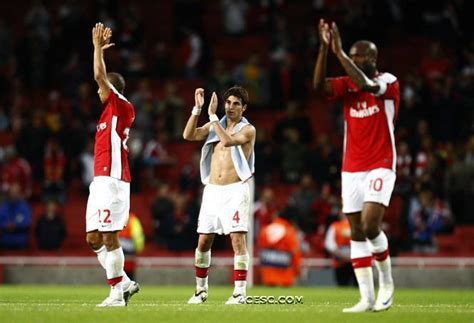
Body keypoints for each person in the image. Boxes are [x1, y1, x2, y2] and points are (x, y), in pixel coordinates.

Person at [312, 19, 400, 312]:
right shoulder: (346, 85)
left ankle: (386, 283)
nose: (353, 58)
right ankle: (366, 297)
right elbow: (318, 87)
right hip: (352, 167)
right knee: (356, 231)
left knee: (370, 223)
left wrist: (339, 53)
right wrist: (325, 50)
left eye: (357, 55)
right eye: (351, 54)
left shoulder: (388, 81)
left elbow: (366, 83)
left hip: (381, 163)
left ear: (371, 58)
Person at [183, 86, 256, 305]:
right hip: (212, 190)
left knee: (237, 239)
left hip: (236, 190)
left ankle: (239, 293)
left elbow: (228, 141)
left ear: (243, 108)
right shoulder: (217, 125)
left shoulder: (248, 129)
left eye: (236, 104)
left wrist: (213, 117)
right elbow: (188, 135)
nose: (231, 107)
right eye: (228, 103)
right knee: (203, 241)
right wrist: (197, 110)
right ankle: (200, 291)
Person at [85, 22, 139, 307]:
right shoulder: (108, 113)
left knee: (108, 235)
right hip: (100, 179)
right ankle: (126, 282)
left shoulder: (121, 105)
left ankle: (117, 293)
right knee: (92, 238)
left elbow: (98, 75)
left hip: (113, 178)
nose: (97, 92)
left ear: (112, 89)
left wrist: (96, 48)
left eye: (102, 88)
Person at [257, 209, 301, 287]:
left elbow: (260, 251)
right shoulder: (289, 231)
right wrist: (297, 269)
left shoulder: (264, 230)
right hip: (285, 275)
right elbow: (295, 252)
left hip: (268, 274)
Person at [324, 214, 356, 286]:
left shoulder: (358, 225)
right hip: (341, 262)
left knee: (345, 285)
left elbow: (329, 244)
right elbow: (329, 244)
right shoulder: (335, 226)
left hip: (348, 260)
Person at [119, 212, 145, 281]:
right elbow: (138, 236)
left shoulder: (115, 217)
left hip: (116, 246)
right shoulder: (132, 219)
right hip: (129, 247)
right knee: (129, 270)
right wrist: (139, 249)